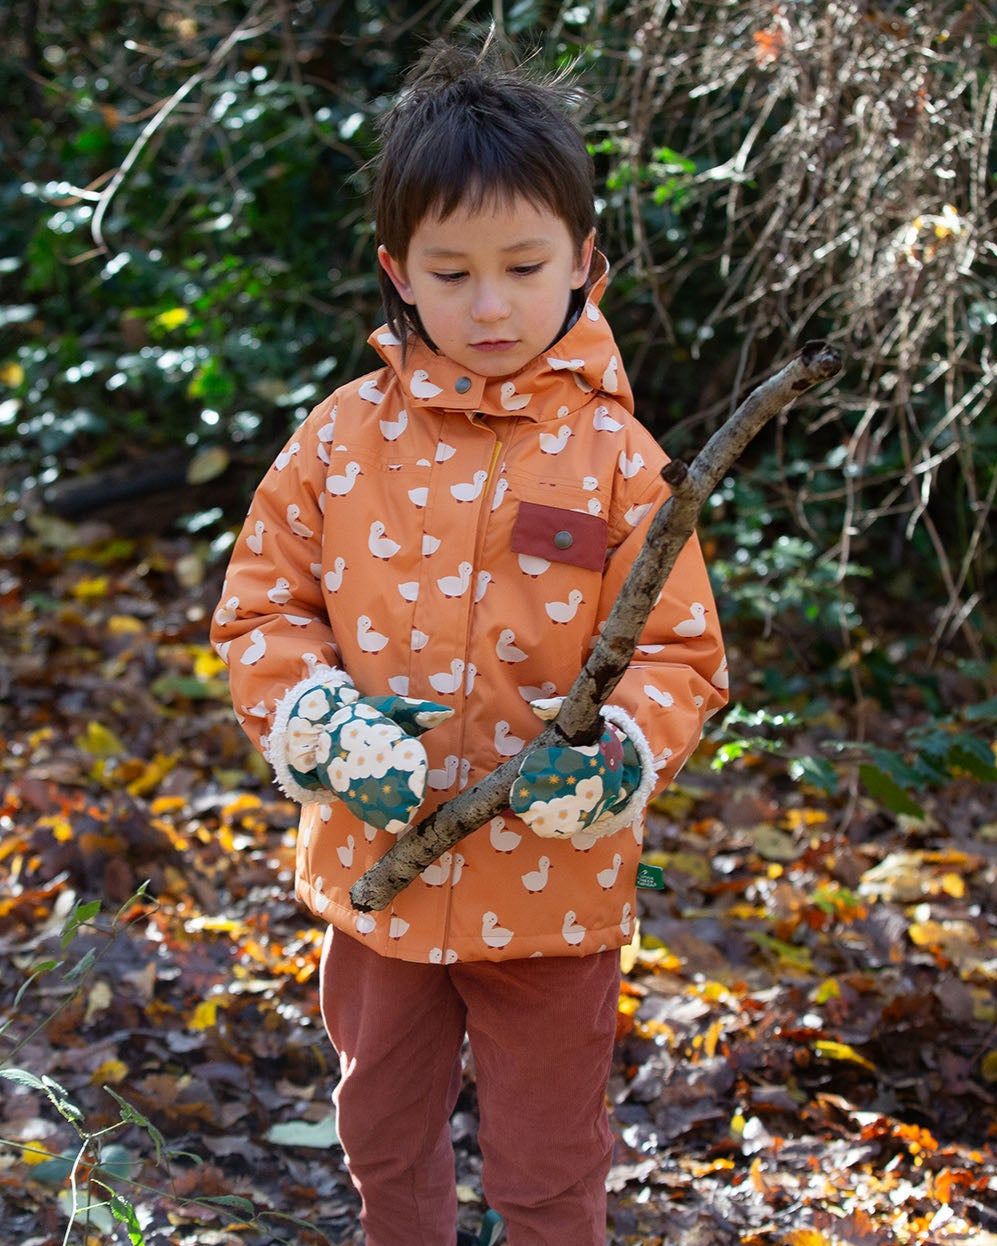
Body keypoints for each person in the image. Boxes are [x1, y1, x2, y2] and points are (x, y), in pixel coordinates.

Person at [211, 37, 727, 1246]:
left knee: (548, 1165)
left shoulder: (618, 461)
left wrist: (616, 764)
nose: (488, 305)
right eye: (451, 272)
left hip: (550, 892)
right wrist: (314, 721)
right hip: (375, 876)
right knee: (382, 1135)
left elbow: (679, 654)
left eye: (522, 266)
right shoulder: (342, 440)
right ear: (399, 271)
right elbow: (260, 610)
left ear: (583, 263)